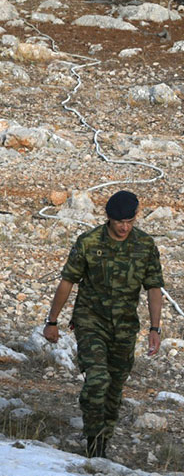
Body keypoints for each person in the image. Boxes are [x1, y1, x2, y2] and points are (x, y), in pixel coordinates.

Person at [43, 190, 164, 459]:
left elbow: (154, 287)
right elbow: (67, 281)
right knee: (98, 380)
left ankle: (103, 440)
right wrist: (52, 321)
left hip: (124, 327)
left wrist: (155, 329)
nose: (124, 227)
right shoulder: (89, 242)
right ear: (108, 218)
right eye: (119, 221)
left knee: (114, 387)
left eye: (129, 221)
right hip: (90, 320)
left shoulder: (144, 245)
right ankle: (94, 442)